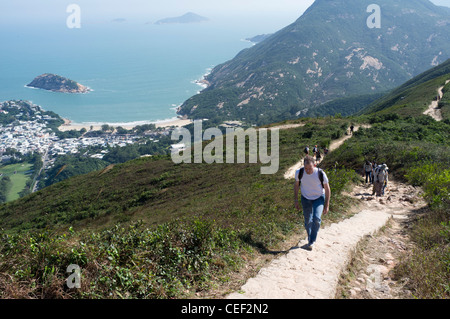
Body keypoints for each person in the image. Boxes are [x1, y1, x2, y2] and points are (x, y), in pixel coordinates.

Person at [294, 156, 331, 251]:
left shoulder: (320, 173)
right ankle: (310, 238)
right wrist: (296, 200)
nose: (307, 171)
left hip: (318, 198)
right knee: (307, 221)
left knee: (317, 219)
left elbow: (327, 189)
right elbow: (296, 186)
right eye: (306, 168)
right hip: (305, 198)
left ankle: (312, 241)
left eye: (310, 168)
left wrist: (327, 205)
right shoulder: (299, 172)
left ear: (314, 165)